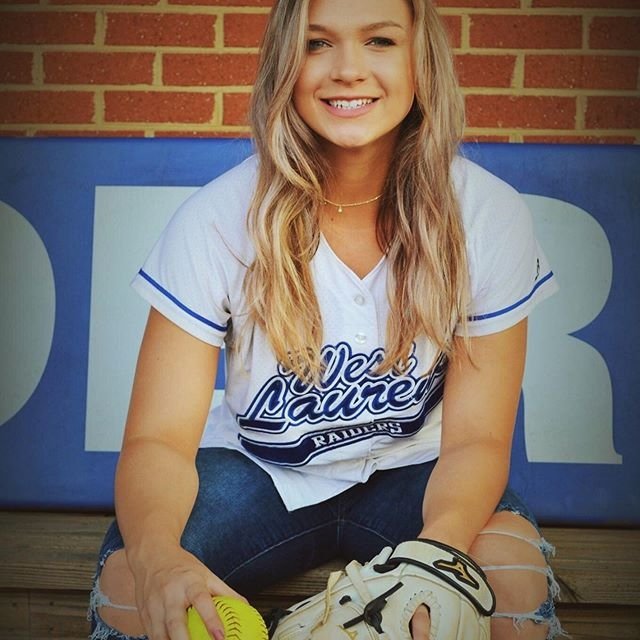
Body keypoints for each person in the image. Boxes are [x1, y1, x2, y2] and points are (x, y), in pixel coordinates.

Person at [88, 0, 565, 639]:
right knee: (132, 586)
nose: (347, 69)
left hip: (417, 471)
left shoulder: (484, 213)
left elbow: (478, 438)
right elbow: (158, 440)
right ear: (284, 63)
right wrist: (158, 558)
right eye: (316, 43)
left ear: (420, 59)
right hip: (262, 474)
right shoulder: (217, 218)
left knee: (506, 579)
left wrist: (435, 558)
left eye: (379, 41)